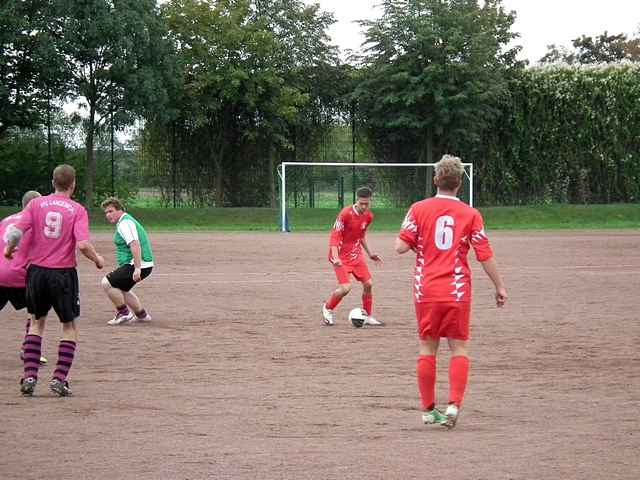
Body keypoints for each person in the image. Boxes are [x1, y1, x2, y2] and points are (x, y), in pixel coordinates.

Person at [395, 154, 507, 429]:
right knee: (459, 347)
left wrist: (416, 242)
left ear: (436, 180)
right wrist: (499, 286)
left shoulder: (418, 209)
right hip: (457, 290)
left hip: (427, 289)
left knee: (427, 347)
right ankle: (454, 405)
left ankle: (427, 410)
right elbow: (484, 254)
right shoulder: (471, 214)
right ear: (459, 183)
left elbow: (399, 246)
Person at [4, 164, 105, 397]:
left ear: (52, 182)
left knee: (36, 322)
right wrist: (98, 259)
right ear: (73, 184)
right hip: (63, 274)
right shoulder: (77, 209)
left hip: (36, 272)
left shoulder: (35, 204)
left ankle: (30, 375)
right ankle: (59, 379)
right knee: (68, 326)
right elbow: (82, 244)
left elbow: (17, 232)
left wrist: (9, 250)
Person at [322, 186, 384, 327]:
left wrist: (370, 253)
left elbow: (360, 236)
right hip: (340, 256)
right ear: (356, 200)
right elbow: (334, 237)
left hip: (355, 255)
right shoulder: (345, 214)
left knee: (368, 284)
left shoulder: (369, 216)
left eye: (366, 204)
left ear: (370, 201)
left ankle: (367, 316)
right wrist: (336, 257)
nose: (363, 206)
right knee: (345, 288)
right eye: (361, 203)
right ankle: (327, 308)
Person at [0, 190, 48, 365]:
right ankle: (29, 349)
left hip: (0, 272)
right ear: (35, 204)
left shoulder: (6, 220)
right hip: (20, 274)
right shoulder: (35, 222)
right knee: (37, 311)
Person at [100, 197, 154, 326]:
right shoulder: (123, 222)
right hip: (140, 264)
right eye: (106, 212)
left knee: (107, 283)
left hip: (138, 264)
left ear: (120, 210)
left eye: (111, 211)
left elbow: (134, 244)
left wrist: (137, 268)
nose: (108, 215)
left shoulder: (125, 223)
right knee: (122, 289)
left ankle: (124, 313)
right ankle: (142, 315)